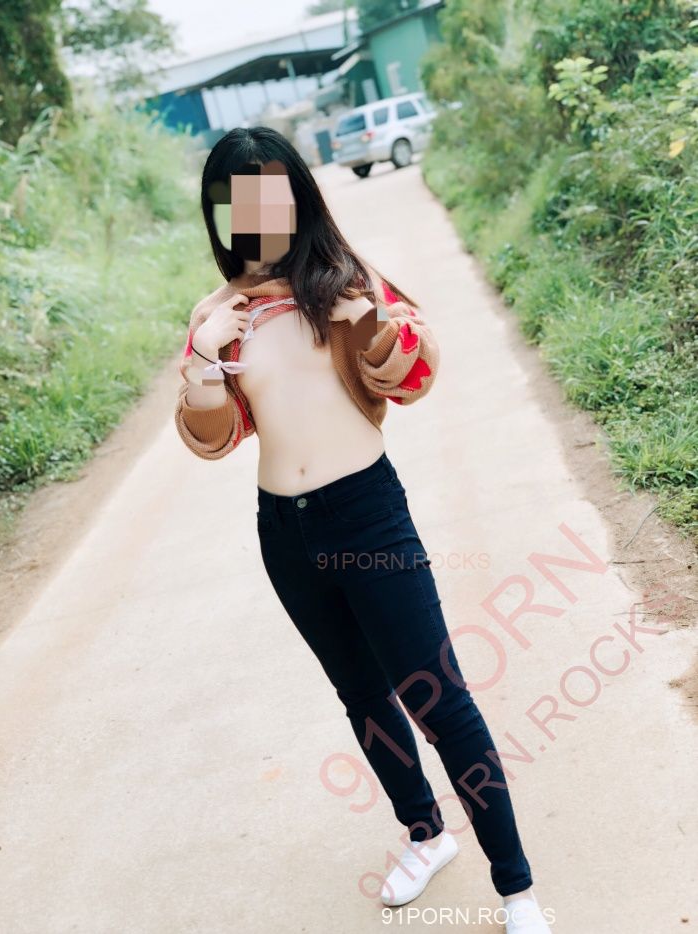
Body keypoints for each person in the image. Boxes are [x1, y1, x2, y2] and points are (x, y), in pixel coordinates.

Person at [174, 126, 552, 933]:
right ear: (221, 213)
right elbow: (211, 435)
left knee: (439, 699)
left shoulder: (345, 279)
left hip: (367, 514)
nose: (257, 214)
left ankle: (517, 890)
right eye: (238, 199)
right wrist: (204, 361)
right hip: (285, 532)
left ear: (297, 197)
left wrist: (374, 322)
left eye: (271, 193)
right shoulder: (219, 314)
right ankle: (426, 834)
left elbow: (412, 373)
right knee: (362, 696)